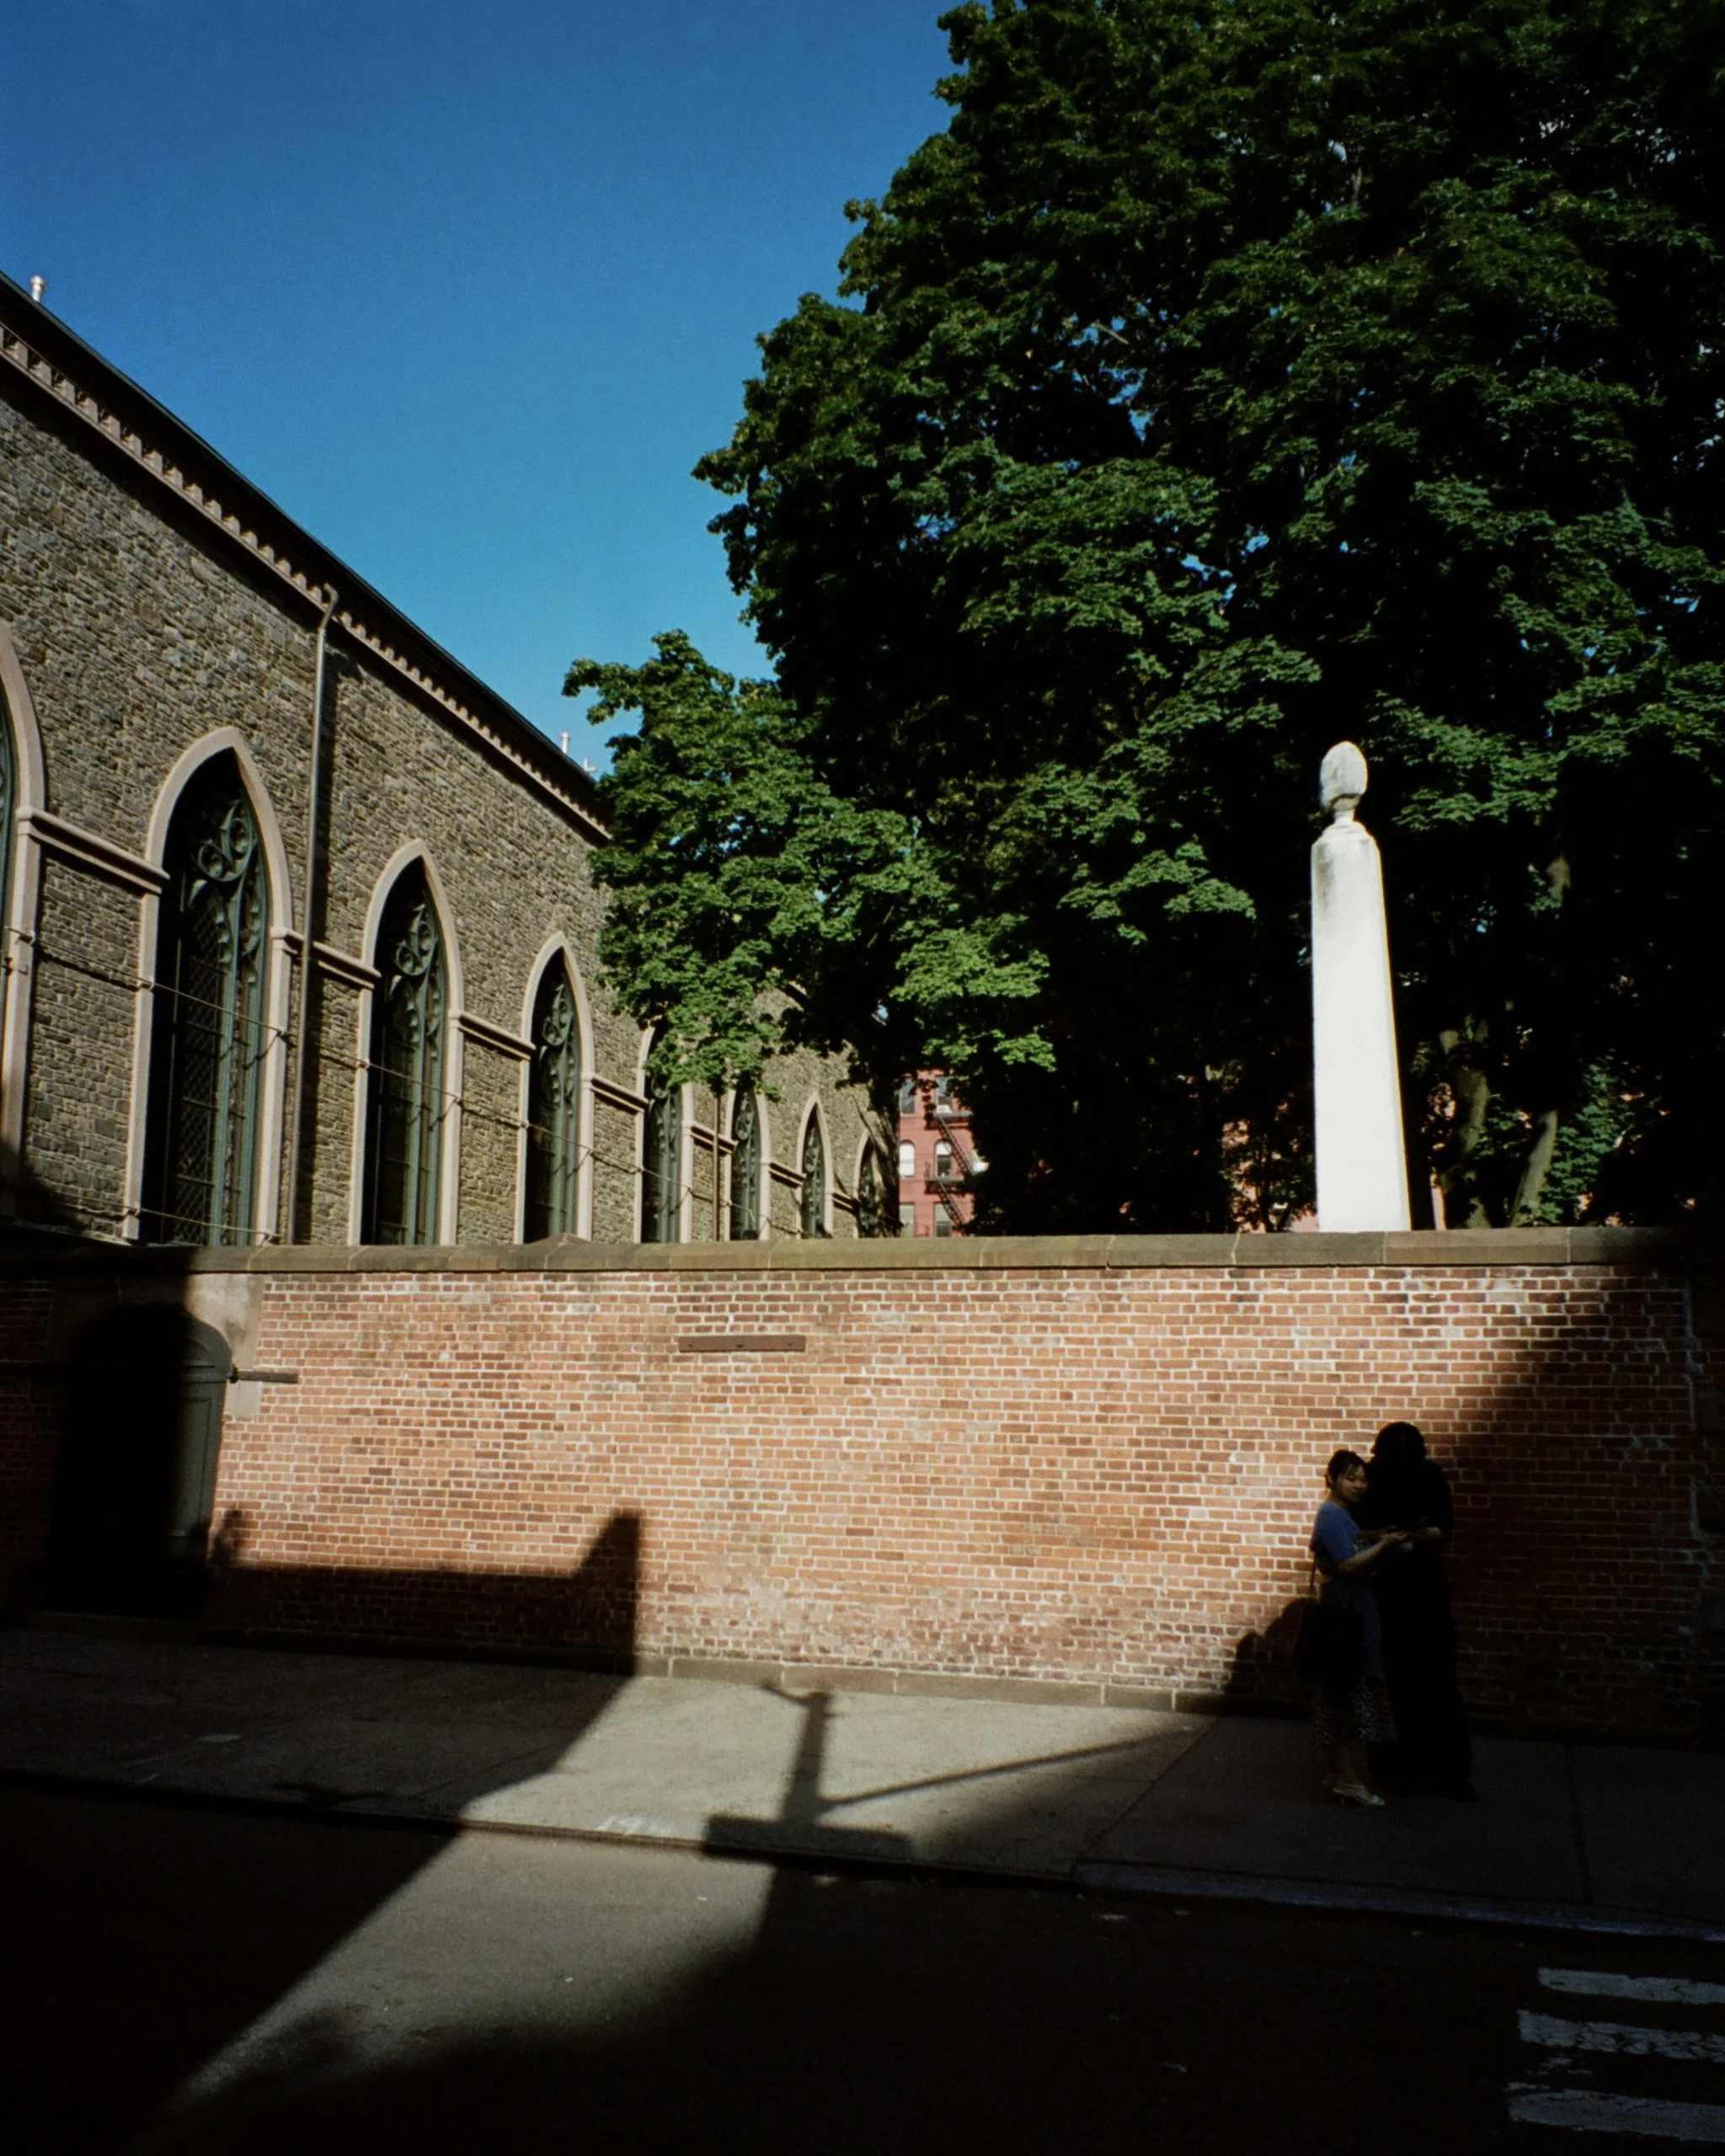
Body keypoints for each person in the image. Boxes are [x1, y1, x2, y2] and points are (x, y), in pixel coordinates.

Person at [1361, 1421, 1477, 1801]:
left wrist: (1397, 1536)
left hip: (1393, 1588)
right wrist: (1410, 1535)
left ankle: (1403, 1766)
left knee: (1398, 1678)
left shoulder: (1376, 1475)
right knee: (1434, 1678)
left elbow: (1439, 1528)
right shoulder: (1427, 1475)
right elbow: (1443, 1528)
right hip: (1418, 1588)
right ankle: (1442, 1769)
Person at [1309, 1449, 1408, 1806]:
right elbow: (1348, 1564)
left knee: (1341, 1693)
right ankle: (1348, 1779)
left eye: (1363, 1479)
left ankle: (1339, 1773)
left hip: (1349, 1611)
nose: (1359, 1485)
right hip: (1345, 1614)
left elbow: (1349, 1546)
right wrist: (1383, 1545)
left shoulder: (1341, 1515)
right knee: (1343, 1694)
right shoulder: (1332, 1515)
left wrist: (1373, 1535)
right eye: (1351, 1478)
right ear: (1333, 1479)